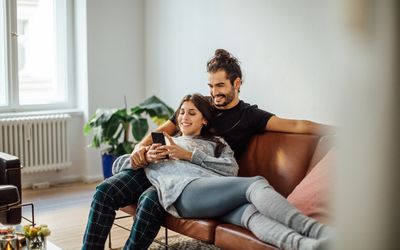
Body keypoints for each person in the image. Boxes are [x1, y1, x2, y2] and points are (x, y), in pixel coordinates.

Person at [82, 49, 334, 249]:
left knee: (249, 213)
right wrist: (140, 150)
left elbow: (298, 124)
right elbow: (163, 131)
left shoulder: (248, 117)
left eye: (220, 86)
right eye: (211, 87)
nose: (214, 94)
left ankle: (310, 244)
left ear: (237, 83)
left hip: (199, 180)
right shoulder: (199, 105)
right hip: (164, 170)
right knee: (105, 192)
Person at [114, 93, 332, 250]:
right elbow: (118, 167)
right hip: (183, 193)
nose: (184, 117)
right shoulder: (165, 144)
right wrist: (139, 156)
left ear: (204, 120)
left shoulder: (216, 143)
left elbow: (231, 170)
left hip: (214, 194)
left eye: (191, 113)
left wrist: (189, 155)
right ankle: (317, 231)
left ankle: (307, 245)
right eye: (181, 113)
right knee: (255, 183)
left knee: (250, 215)